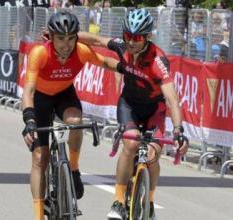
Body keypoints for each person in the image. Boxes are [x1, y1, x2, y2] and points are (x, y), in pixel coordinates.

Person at [78, 8, 189, 219]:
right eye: (127, 36)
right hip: (129, 105)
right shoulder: (123, 48)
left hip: (154, 109)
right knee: (131, 144)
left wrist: (178, 130)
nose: (131, 41)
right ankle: (119, 201)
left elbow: (173, 100)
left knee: (153, 154)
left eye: (137, 37)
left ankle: (150, 202)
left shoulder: (158, 61)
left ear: (147, 37)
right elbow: (96, 40)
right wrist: (65, 37)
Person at [21, 11, 119, 220]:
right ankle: (39, 215)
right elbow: (28, 91)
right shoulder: (40, 53)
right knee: (41, 157)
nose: (66, 44)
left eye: (71, 38)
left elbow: (107, 63)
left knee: (75, 122)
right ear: (51, 38)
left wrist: (130, 70)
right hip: (40, 99)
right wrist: (29, 120)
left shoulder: (81, 51)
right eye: (61, 39)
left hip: (64, 94)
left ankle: (73, 170)